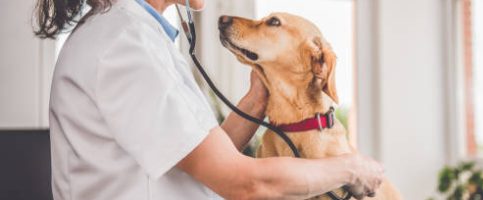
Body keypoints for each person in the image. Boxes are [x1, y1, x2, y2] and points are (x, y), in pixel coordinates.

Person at [34, 0, 384, 199]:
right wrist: (352, 166)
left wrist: (255, 101)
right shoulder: (125, 47)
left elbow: (196, 158)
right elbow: (245, 182)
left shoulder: (134, 38)